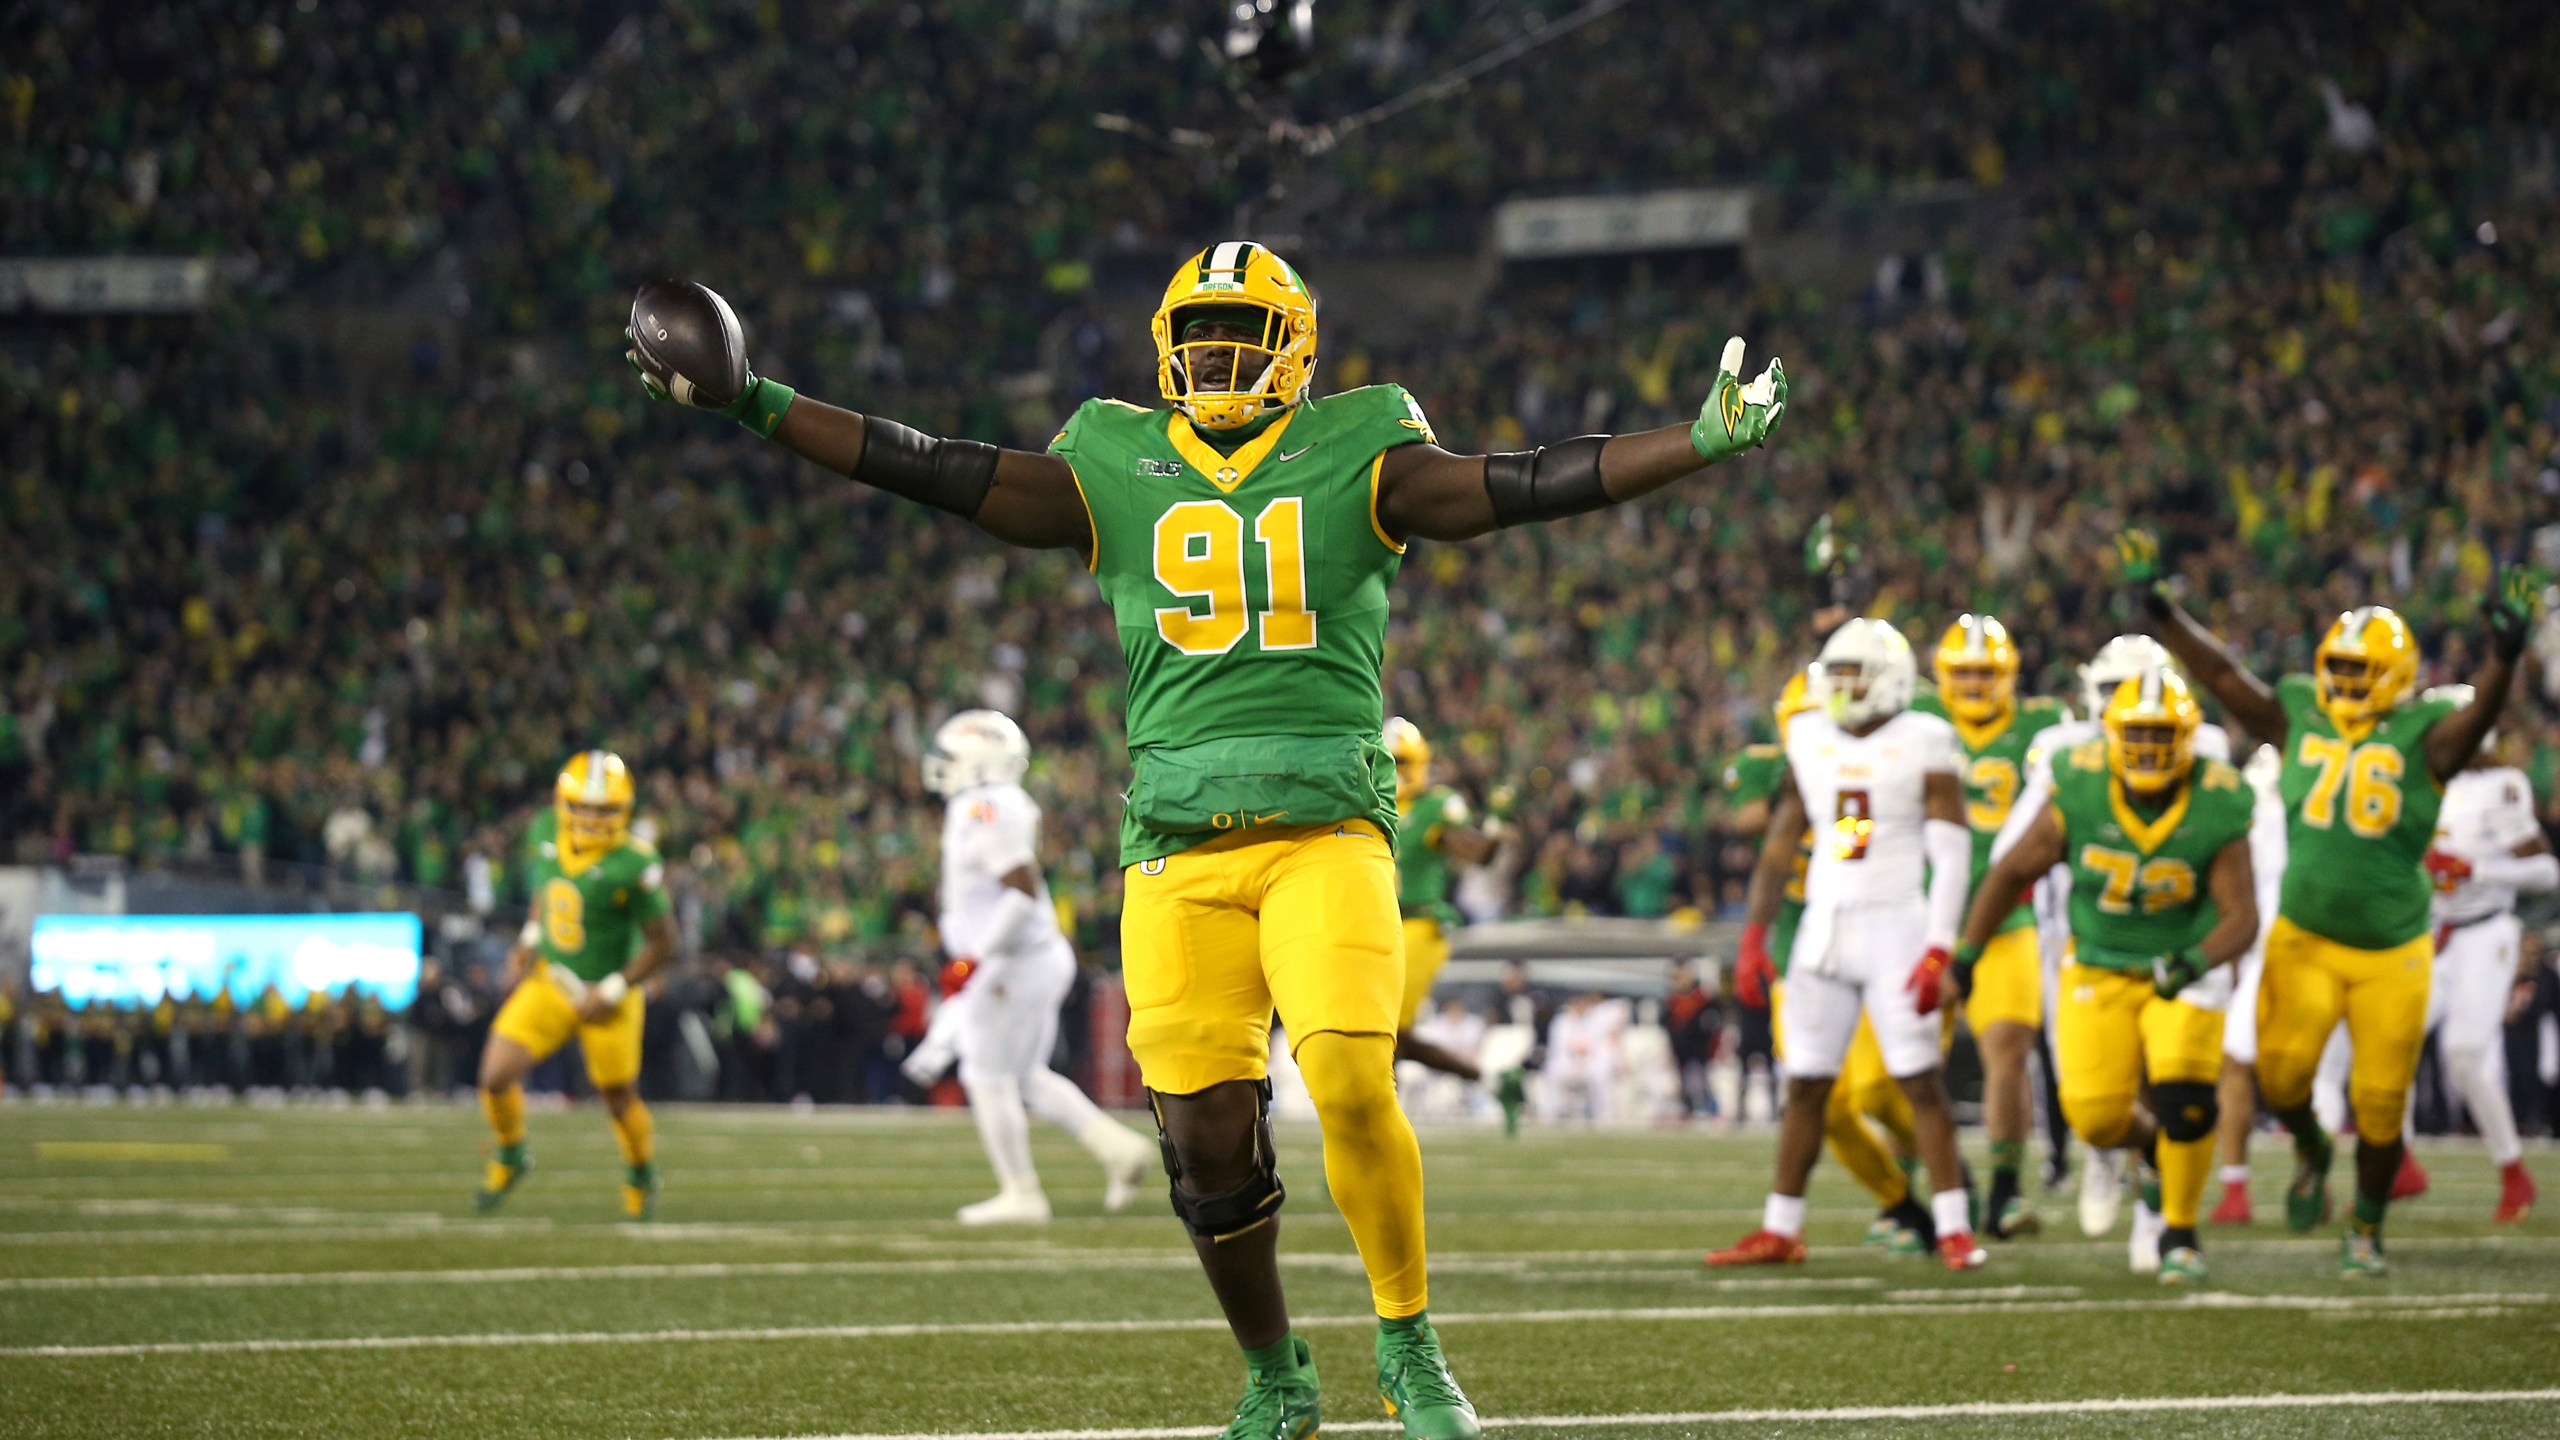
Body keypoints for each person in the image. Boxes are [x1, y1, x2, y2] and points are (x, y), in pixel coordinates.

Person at [627, 239, 1786, 1439]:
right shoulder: (1112, 459)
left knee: (1345, 1073)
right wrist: (757, 401)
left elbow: (1520, 481)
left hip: (1325, 831)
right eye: (1198, 340)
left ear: (1295, 352)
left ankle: (1409, 1348)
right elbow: (931, 465)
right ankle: (1277, 1375)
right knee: (1204, 1140)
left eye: (1240, 339)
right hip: (1176, 849)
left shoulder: (1361, 444)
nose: (1216, 361)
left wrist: (1689, 445)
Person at [2120, 528, 2537, 1276]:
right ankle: (2311, 1151)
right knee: (2280, 1080)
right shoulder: (2296, 712)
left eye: (2361, 668)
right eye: (2339, 665)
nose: (2345, 680)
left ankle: (2368, 1227)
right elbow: (2222, 673)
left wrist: (2503, 656)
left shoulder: (2425, 736)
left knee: (2380, 1103)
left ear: (2396, 674)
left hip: (2392, 950)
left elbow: (2479, 719)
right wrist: (2161, 614)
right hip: (2304, 939)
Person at [1961, 671, 2258, 1283]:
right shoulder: (2080, 783)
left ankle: (2179, 1230)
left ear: (2186, 738)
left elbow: (2242, 916)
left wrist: (2197, 962)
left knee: (2187, 1098)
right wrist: (1965, 957)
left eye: (2161, 733)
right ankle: (2148, 1147)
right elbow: (2008, 871)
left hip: (2181, 966)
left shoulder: (2218, 795)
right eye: (2138, 732)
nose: (2148, 747)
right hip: (2097, 963)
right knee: (2094, 1117)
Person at [1708, 619, 1986, 1271]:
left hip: (1897, 925)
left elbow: (1951, 854)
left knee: (1919, 1081)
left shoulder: (1926, 739)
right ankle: (1781, 1228)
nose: (1840, 687)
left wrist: (1941, 947)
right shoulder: (1808, 737)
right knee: (1805, 1084)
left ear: (1887, 678)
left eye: (1851, 674)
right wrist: (1754, 934)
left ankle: (1953, 1225)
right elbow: (1780, 845)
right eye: (1833, 674)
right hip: (1824, 928)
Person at [923, 709, 1159, 1225]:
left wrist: (975, 959)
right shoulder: (995, 802)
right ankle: (1119, 1150)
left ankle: (1021, 1192)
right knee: (1025, 1075)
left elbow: (1021, 891)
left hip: (1012, 959)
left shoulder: (982, 805)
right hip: (1026, 956)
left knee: (985, 1075)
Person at [1730, 669, 1938, 1253]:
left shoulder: (1869, 773)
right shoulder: (1770, 769)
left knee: (1876, 1088)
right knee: (1827, 1104)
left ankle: (1942, 1170)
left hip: (1865, 940)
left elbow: (1856, 846)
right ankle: (1902, 1202)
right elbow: (1746, 819)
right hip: (1798, 953)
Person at [475, 752, 676, 1221]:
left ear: (623, 811)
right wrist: (530, 936)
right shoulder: (545, 831)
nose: (591, 817)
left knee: (616, 1097)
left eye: (604, 809)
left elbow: (665, 943)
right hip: (552, 979)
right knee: (495, 1076)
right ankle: (510, 1152)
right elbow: (548, 890)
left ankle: (642, 1171)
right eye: (583, 806)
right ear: (563, 803)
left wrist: (611, 990)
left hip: (608, 995)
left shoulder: (635, 864)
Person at [1922, 614, 2067, 1240]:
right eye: (1965, 673)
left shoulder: (2041, 729)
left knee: (2008, 1048)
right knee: (1908, 1068)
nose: (1976, 684)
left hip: (2008, 919)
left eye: (1985, 672)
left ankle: (2006, 1192)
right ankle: (1935, 1184)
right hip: (1924, 918)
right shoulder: (1918, 724)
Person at [2413, 686, 2548, 1224]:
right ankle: (2396, 1164)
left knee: (2465, 1053)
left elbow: (2547, 871)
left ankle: (2514, 1171)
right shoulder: (2420, 786)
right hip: (2431, 931)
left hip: (2485, 932)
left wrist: (2477, 870)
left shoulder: (2501, 785)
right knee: (2389, 1037)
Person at [1382, 718, 1499, 1081]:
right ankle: (1486, 1077)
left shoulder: (1435, 805)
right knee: (1383, 1034)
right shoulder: (1370, 804)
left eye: (1400, 761)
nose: (1394, 770)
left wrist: (1492, 833)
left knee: (1386, 1035)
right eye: (1386, 761)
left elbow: (1476, 852)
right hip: (1376, 925)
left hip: (1420, 923)